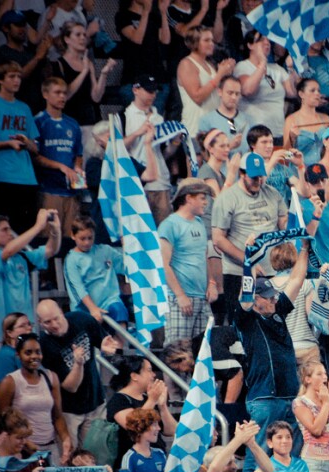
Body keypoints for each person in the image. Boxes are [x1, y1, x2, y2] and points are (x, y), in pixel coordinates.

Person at [234, 241, 308, 472]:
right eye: (269, 297)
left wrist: (306, 245)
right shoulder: (247, 320)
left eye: (274, 297)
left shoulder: (278, 312)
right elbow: (244, 295)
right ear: (256, 300)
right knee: (258, 453)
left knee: (290, 456)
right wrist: (249, 260)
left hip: (289, 397)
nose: (275, 300)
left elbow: (296, 280)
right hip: (264, 398)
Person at [0, 213, 60, 395]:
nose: (10, 233)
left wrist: (55, 230)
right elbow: (6, 253)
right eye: (5, 230)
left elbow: (49, 250)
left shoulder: (22, 257)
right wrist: (38, 227)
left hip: (26, 335)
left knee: (28, 391)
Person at [211, 151, 288, 320]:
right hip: (239, 272)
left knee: (274, 321)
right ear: (242, 174)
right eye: (254, 178)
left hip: (271, 271)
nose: (258, 181)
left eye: (260, 177)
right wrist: (249, 262)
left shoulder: (272, 193)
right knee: (242, 322)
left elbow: (283, 220)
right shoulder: (227, 199)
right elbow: (218, 239)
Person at [36, 299, 119, 447]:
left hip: (95, 402)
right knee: (71, 461)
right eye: (48, 322)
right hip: (68, 411)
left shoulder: (81, 319)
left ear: (63, 313)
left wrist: (107, 349)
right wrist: (78, 364)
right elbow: (70, 387)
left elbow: (104, 343)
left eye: (56, 318)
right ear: (40, 323)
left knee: (96, 456)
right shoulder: (44, 344)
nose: (54, 325)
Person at [0, 62, 40, 235]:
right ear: (0, 80)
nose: (16, 81)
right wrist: (6, 143)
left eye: (19, 77)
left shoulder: (24, 107)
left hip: (27, 178)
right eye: (12, 77)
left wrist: (27, 143)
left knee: (27, 231)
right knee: (5, 232)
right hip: (2, 177)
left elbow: (35, 147)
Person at [0, 333, 71, 464]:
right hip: (23, 449)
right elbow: (1, 420)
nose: (34, 356)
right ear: (18, 355)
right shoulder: (10, 381)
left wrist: (66, 439)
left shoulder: (51, 377)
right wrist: (26, 443)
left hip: (51, 446)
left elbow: (57, 415)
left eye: (38, 352)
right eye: (28, 352)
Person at [159, 181, 216, 345]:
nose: (205, 202)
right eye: (202, 198)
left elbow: (203, 256)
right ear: (189, 198)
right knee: (178, 352)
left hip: (202, 299)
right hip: (180, 300)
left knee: (204, 351)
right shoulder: (169, 225)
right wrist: (180, 295)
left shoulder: (198, 223)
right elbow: (164, 263)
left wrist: (211, 283)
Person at [34, 75, 85, 237]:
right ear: (45, 94)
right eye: (57, 93)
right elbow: (35, 157)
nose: (62, 96)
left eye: (64, 93)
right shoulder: (38, 121)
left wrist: (77, 167)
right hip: (49, 190)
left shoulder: (72, 124)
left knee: (71, 239)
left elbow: (78, 153)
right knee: (49, 238)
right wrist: (61, 166)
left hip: (71, 192)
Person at [122, 73, 176, 225]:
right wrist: (137, 133)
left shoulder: (159, 118)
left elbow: (165, 153)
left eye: (154, 91)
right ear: (136, 90)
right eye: (148, 90)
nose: (152, 95)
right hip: (138, 180)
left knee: (163, 231)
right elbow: (117, 148)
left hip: (161, 181)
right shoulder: (125, 115)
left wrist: (175, 143)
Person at [105, 355, 177, 465]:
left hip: (156, 459)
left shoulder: (148, 398)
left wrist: (162, 406)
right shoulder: (119, 400)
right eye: (149, 370)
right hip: (132, 463)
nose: (153, 375)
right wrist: (152, 400)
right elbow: (133, 425)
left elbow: (171, 431)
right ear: (134, 376)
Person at [63, 216, 128, 324]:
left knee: (119, 310)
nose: (87, 242)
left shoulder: (106, 251)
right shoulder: (71, 260)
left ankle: (120, 341)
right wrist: (93, 308)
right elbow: (78, 288)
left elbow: (125, 265)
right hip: (85, 308)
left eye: (90, 238)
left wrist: (127, 247)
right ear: (73, 236)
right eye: (82, 239)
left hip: (110, 302)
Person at [234, 30, 294, 141]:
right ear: (250, 45)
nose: (267, 43)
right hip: (255, 133)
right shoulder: (242, 66)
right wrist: (262, 64)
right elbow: (247, 90)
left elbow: (292, 93)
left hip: (278, 132)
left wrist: (291, 69)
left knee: (281, 158)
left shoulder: (277, 69)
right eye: (261, 40)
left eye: (268, 41)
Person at [292, 361, 329, 472]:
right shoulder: (300, 402)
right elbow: (316, 430)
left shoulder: (327, 400)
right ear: (308, 379)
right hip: (314, 460)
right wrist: (326, 403)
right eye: (319, 374)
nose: (325, 377)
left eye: (325, 374)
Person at [176, 26, 234, 136]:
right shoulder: (186, 64)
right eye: (206, 40)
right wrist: (219, 74)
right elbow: (197, 97)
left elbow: (215, 91)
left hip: (214, 125)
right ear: (195, 43)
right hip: (196, 126)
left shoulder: (209, 64)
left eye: (212, 40)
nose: (212, 43)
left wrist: (225, 73)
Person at [197, 76, 254, 154]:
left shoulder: (248, 119)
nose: (234, 97)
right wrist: (229, 146)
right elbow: (204, 154)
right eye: (230, 93)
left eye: (237, 94)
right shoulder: (206, 121)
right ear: (220, 92)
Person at [283, 78, 329, 166]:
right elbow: (286, 155)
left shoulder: (326, 119)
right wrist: (291, 139)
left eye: (318, 91)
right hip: (300, 171)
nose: (317, 94)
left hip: (323, 170)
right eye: (312, 91)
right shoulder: (291, 120)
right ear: (301, 94)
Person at [0, 313, 33, 402]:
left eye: (29, 324)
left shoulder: (30, 352)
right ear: (9, 333)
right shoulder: (4, 356)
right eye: (22, 326)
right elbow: (4, 392)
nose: (29, 328)